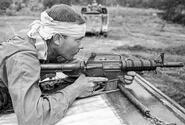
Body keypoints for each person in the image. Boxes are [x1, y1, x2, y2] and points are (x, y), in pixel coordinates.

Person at [0, 4, 135, 125]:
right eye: (77, 40)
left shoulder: (45, 42)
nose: (81, 46)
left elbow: (75, 68)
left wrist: (113, 73)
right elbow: (32, 119)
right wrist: (75, 89)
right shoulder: (23, 59)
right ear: (58, 38)